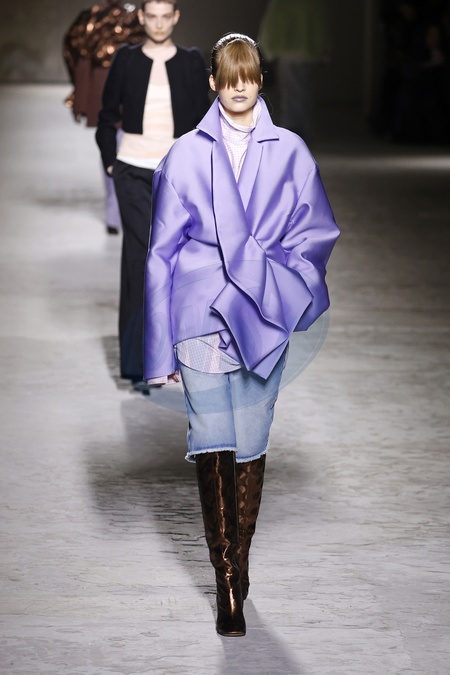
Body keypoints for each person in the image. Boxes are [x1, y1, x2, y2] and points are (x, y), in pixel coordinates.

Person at [143, 33, 340, 636]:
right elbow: (160, 253)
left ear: (260, 79)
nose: (239, 88)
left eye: (248, 77)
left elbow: (315, 234)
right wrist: (157, 349)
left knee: (251, 440)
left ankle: (241, 564)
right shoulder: (184, 155)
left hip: (264, 311)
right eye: (228, 78)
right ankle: (226, 578)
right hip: (200, 307)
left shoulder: (291, 151)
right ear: (212, 83)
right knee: (212, 433)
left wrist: (288, 285)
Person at [95, 0, 211, 383]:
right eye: (152, 17)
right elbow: (107, 115)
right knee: (140, 258)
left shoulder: (191, 61)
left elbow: (203, 119)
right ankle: (137, 363)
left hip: (178, 174)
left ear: (175, 18)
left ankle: (170, 357)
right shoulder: (126, 59)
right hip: (132, 169)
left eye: (166, 16)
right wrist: (111, 162)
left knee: (177, 260)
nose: (159, 24)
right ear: (142, 18)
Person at [63, 1, 145, 234]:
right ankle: (116, 211)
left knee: (117, 145)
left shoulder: (96, 17)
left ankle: (117, 211)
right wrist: (81, 97)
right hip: (111, 84)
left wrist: (81, 97)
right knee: (114, 145)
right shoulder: (127, 17)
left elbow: (76, 53)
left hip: (120, 83)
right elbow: (81, 55)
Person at [258, 0, 329, 144]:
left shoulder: (282, 3)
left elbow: (272, 25)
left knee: (290, 94)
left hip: (286, 51)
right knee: (304, 92)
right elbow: (319, 26)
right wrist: (323, 50)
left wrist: (267, 49)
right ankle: (302, 132)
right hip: (307, 52)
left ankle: (293, 132)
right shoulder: (312, 4)